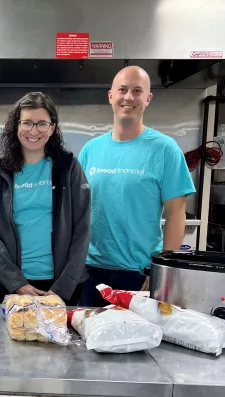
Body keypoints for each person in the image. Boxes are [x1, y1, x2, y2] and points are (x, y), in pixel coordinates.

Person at [78, 66, 196, 307]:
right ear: (111, 96)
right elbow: (77, 211)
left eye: (137, 91)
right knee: (83, 342)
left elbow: (176, 214)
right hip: (90, 271)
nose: (128, 97)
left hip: (139, 274)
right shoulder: (91, 150)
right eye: (122, 90)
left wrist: (162, 271)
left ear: (148, 99)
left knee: (136, 343)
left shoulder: (165, 150)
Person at [0, 92, 90, 305]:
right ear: (16, 126)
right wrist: (15, 282)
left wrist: (63, 287)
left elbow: (82, 229)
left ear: (52, 128)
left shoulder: (69, 168)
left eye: (41, 124)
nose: (33, 131)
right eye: (27, 123)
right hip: (13, 285)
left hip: (61, 284)